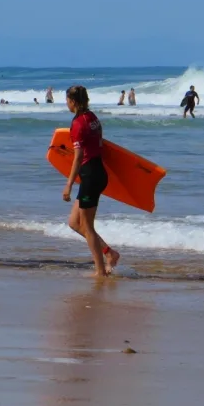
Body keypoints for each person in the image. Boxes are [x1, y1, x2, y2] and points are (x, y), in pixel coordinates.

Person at [63, 86, 119, 277]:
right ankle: (109, 253)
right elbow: (100, 143)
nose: (66, 103)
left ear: (73, 101)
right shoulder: (92, 117)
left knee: (87, 226)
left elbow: (78, 157)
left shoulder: (78, 124)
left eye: (67, 100)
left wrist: (69, 184)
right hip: (97, 172)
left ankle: (100, 270)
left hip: (90, 176)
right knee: (74, 222)